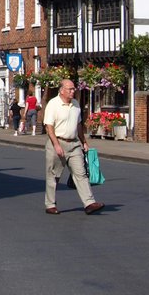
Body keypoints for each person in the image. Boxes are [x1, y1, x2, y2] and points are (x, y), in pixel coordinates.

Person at [43, 79, 103, 215]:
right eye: (70, 89)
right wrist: (56, 145)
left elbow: (79, 125)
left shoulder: (75, 104)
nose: (73, 91)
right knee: (54, 176)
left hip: (74, 144)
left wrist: (84, 142)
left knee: (81, 174)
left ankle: (89, 203)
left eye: (73, 88)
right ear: (62, 90)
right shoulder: (53, 104)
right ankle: (50, 204)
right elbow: (49, 127)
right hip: (58, 142)